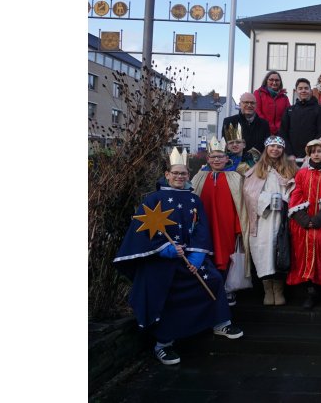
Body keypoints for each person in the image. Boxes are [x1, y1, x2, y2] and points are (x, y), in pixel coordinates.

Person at [115, 148, 243, 366]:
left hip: (189, 256)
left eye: (183, 173)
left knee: (212, 278)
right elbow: (141, 232)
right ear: (167, 174)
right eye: (175, 173)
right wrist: (165, 250)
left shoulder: (194, 200)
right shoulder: (153, 200)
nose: (179, 177)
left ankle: (220, 322)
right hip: (159, 258)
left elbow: (201, 229)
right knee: (161, 288)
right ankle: (163, 344)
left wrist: (196, 256)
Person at [190, 136, 247, 306]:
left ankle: (227, 290)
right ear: (208, 159)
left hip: (226, 225)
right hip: (204, 225)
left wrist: (239, 227)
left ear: (227, 159)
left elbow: (241, 203)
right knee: (206, 253)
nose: (216, 160)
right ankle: (207, 288)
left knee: (226, 255)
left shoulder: (235, 177)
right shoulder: (199, 177)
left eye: (220, 157)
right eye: (213, 157)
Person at [242, 135, 297, 306]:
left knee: (280, 250)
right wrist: (269, 199)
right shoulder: (257, 169)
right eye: (272, 146)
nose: (275, 149)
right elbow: (249, 193)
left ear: (283, 150)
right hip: (263, 218)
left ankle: (279, 290)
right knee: (264, 252)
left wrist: (286, 199)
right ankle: (268, 290)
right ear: (266, 149)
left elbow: (296, 187)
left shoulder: (290, 168)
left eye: (279, 147)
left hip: (283, 216)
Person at [287, 140, 321, 309]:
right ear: (309, 154)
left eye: (319, 151)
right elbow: (296, 196)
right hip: (303, 224)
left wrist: (317, 220)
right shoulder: (301, 174)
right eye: (313, 151)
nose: (316, 154)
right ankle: (309, 291)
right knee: (303, 255)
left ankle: (320, 290)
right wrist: (304, 220)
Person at [280, 78, 321, 165]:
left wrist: (311, 152)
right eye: (300, 88)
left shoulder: (320, 110)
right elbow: (283, 133)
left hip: (312, 157)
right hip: (291, 158)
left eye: (306, 88)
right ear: (296, 91)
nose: (303, 91)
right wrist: (289, 153)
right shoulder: (289, 110)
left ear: (311, 91)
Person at [223, 92, 271, 156]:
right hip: (236, 162)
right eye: (246, 102)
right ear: (240, 104)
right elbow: (226, 145)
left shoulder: (264, 124)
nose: (249, 105)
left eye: (252, 103)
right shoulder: (229, 122)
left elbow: (265, 145)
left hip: (257, 162)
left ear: (256, 105)